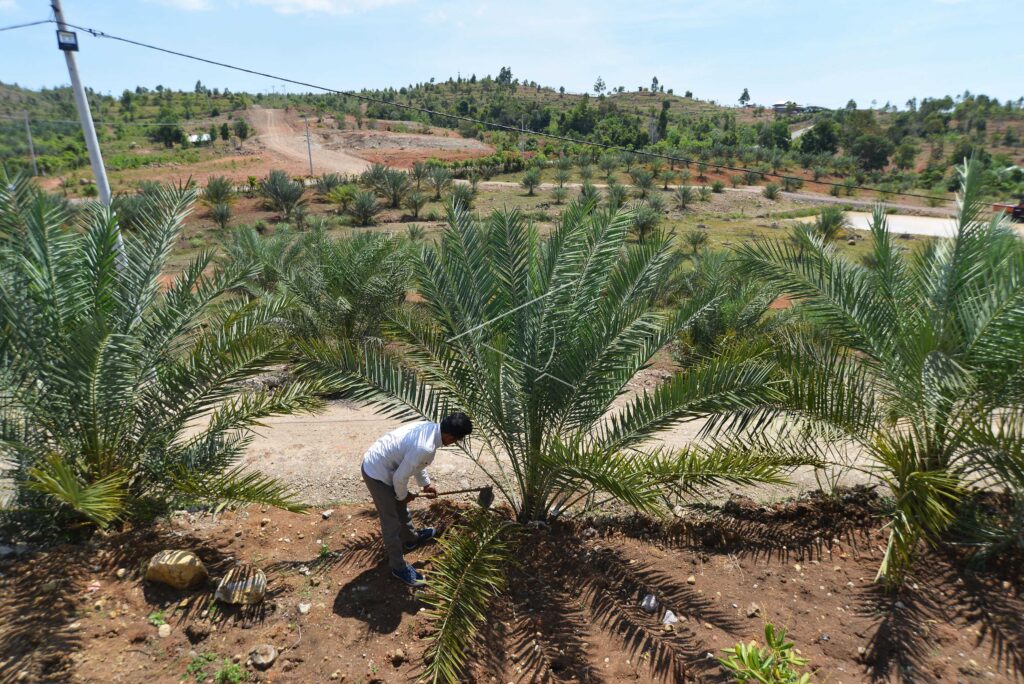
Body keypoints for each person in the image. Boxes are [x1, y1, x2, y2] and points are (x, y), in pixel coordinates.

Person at [361, 413, 473, 586]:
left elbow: (415, 463)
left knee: (401, 506)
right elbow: (400, 478)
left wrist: (425, 485)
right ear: (450, 436)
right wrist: (404, 496)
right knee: (391, 522)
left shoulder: (430, 429)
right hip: (377, 473)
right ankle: (398, 568)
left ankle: (410, 539)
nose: (456, 442)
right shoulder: (426, 447)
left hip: (386, 464)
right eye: (458, 439)